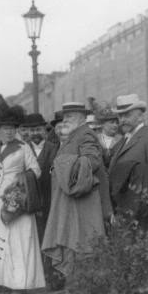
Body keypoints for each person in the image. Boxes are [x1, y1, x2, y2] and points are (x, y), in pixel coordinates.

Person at [0, 105, 44, 294]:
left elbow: (36, 171)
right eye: (4, 128)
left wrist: (20, 180)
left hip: (16, 201)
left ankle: (18, 284)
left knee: (17, 242)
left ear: (16, 130)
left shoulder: (23, 148)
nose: (8, 131)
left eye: (12, 128)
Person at [42, 103, 108, 280]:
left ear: (82, 117)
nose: (65, 120)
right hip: (71, 202)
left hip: (81, 202)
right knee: (74, 244)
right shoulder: (74, 135)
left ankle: (81, 292)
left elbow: (92, 161)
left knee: (81, 245)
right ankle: (75, 290)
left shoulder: (85, 134)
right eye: (64, 117)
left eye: (70, 116)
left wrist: (63, 166)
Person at [109, 94, 148, 221]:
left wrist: (138, 207)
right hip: (123, 214)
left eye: (127, 115)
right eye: (120, 116)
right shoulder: (121, 143)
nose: (122, 120)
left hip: (144, 216)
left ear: (140, 117)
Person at [21, 113, 61, 290]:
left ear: (45, 130)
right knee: (29, 239)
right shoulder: (22, 148)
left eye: (37, 129)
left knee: (49, 238)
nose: (34, 133)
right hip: (29, 202)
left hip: (49, 199)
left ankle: (50, 276)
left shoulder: (54, 148)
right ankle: (31, 278)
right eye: (31, 130)